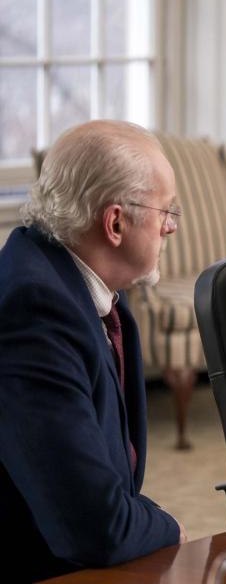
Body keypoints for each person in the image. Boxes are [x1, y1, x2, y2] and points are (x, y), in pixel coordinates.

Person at [0, 120, 184, 582]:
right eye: (166, 210)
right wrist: (172, 525)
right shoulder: (35, 310)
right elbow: (97, 528)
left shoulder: (88, 289)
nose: (171, 227)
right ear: (116, 222)